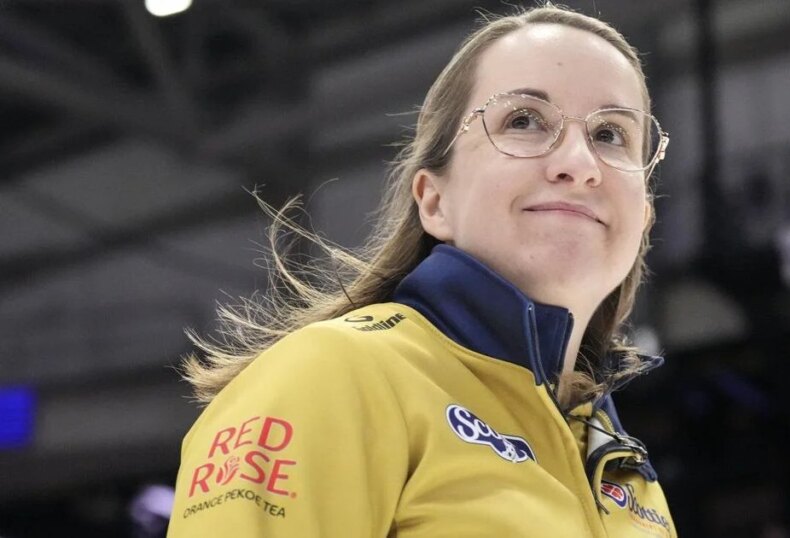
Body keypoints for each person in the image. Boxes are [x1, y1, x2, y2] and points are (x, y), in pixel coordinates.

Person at [167, 3, 675, 537]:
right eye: (523, 121)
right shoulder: (332, 375)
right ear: (434, 201)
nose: (579, 164)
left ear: (643, 216)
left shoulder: (624, 470)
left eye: (611, 134)